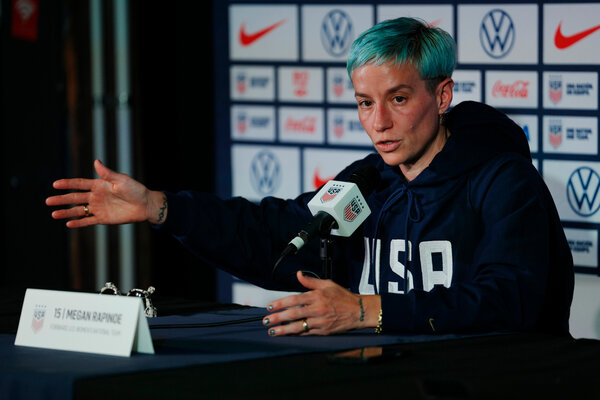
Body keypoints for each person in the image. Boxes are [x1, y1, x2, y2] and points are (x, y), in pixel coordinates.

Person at [46, 17, 574, 337]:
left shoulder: (504, 180)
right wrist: (162, 208)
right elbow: (279, 231)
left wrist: (367, 310)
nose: (378, 123)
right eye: (365, 104)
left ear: (440, 96)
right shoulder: (370, 182)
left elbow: (509, 300)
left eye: (398, 99)